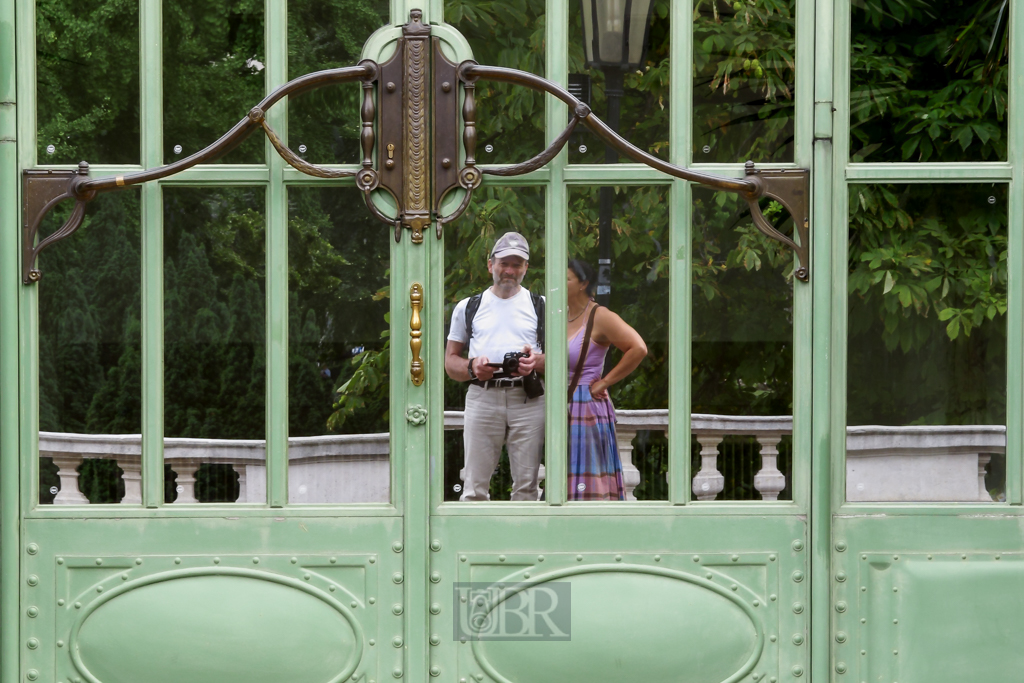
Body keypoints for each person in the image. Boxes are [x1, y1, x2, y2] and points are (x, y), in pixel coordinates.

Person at [445, 232, 546, 501]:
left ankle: (523, 543)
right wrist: (472, 367)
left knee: (527, 488)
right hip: (482, 396)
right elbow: (450, 363)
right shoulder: (468, 307)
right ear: (490, 265)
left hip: (528, 398)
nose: (510, 270)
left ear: (526, 268)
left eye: (517, 264)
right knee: (474, 487)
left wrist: (535, 362)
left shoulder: (542, 306)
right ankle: (475, 543)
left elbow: (563, 361)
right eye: (504, 263)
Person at [566, 259, 647, 501]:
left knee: (589, 475)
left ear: (583, 284)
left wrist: (604, 383)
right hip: (561, 404)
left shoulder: (600, 316)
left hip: (586, 404)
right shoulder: (560, 314)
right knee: (564, 473)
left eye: (566, 279)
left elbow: (638, 348)